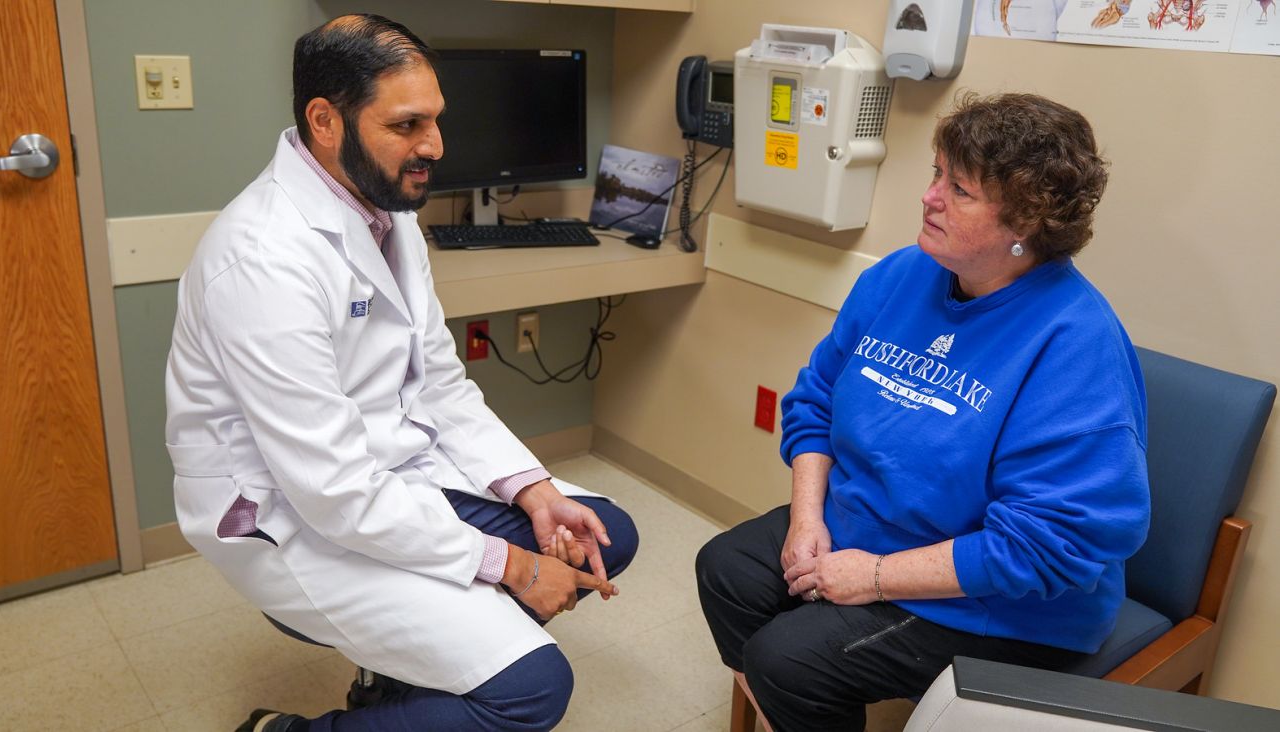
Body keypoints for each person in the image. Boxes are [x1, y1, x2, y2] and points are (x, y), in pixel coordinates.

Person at [165, 14, 637, 732]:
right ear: (325, 120)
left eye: (437, 120)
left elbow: (440, 383)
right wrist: (511, 566)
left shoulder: (388, 211)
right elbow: (333, 491)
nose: (436, 147)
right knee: (534, 688)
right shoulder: (262, 258)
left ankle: (399, 688)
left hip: (391, 472)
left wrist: (534, 490)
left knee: (605, 533)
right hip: (289, 514)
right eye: (408, 124)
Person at [695, 92, 1150, 732]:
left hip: (997, 599)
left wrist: (876, 577)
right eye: (937, 174)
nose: (929, 197)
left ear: (1024, 223)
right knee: (727, 570)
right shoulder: (903, 274)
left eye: (959, 190)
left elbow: (1051, 546)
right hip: (872, 525)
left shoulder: (1076, 346)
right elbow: (817, 397)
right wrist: (806, 519)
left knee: (788, 660)